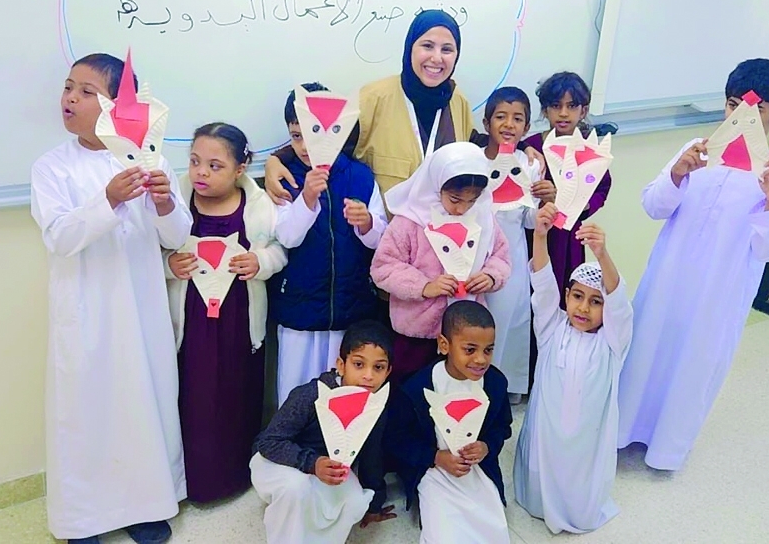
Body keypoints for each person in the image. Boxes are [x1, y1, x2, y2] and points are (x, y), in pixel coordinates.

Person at [30, 52, 191, 543]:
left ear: (120, 107)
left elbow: (175, 236)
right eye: (68, 87)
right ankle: (83, 519)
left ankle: (147, 505)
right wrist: (110, 199)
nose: (69, 99)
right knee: (86, 412)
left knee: (144, 403)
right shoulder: (52, 168)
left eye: (86, 92)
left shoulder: (150, 158)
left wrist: (164, 201)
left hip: (141, 309)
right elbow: (59, 237)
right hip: (86, 311)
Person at [617, 58, 769, 471]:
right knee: (644, 350)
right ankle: (619, 432)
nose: (740, 119)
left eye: (755, 111)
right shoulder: (696, 152)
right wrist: (677, 174)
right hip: (667, 282)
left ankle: (665, 451)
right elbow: (653, 206)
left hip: (719, 296)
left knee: (694, 366)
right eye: (733, 105)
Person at [261, 10, 543, 205]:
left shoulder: (457, 100)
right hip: (384, 247)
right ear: (410, 49)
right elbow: (326, 141)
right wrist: (276, 160)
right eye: (427, 46)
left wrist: (521, 147)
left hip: (444, 248)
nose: (436, 58)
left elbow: (475, 143)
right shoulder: (372, 99)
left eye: (447, 49)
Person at [166, 123, 286, 502]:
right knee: (194, 397)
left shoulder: (259, 206)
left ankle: (234, 476)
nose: (201, 172)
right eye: (195, 161)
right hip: (192, 321)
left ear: (240, 169)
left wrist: (261, 261)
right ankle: (194, 480)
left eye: (215, 166)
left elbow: (280, 250)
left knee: (237, 394)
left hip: (239, 320)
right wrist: (169, 265)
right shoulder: (175, 201)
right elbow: (151, 250)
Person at [514, 205, 633, 533]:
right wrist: (540, 236)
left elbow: (619, 303)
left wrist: (602, 253)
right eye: (577, 296)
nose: (583, 307)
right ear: (566, 296)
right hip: (547, 430)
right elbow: (542, 284)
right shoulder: (551, 327)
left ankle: (576, 508)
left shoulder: (612, 342)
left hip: (587, 438)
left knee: (579, 482)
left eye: (596, 301)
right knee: (542, 470)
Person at [269, 83, 388, 403]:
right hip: (300, 311)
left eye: (313, 134)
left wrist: (367, 223)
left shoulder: (360, 176)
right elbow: (286, 236)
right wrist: (307, 199)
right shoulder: (286, 176)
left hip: (350, 311)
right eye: (296, 136)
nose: (305, 145)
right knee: (295, 398)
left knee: (342, 398)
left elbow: (380, 239)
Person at [370, 142, 511, 384]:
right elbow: (383, 267)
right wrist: (424, 286)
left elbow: (502, 256)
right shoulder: (410, 220)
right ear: (436, 185)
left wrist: (490, 276)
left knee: (459, 389)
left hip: (466, 334)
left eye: (471, 200)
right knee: (412, 389)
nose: (462, 208)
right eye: (455, 199)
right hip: (418, 332)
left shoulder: (484, 218)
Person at [250, 320, 397, 543]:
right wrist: (313, 463)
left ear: (388, 372)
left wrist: (375, 504)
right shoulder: (310, 395)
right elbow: (269, 442)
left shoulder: (375, 406)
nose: (368, 375)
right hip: (279, 463)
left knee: (355, 502)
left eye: (378, 367)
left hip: (325, 470)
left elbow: (372, 456)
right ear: (341, 365)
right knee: (296, 488)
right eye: (359, 364)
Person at [386, 301, 513, 543]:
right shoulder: (416, 388)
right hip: (434, 471)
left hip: (477, 471)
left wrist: (486, 446)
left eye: (488, 350)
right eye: (470, 350)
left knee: (492, 531)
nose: (480, 360)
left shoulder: (495, 384)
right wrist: (435, 457)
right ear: (444, 345)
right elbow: (396, 438)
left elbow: (502, 427)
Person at [479, 86, 556, 403]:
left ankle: (501, 391)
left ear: (526, 127)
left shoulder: (530, 165)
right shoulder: (472, 160)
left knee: (507, 324)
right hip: (474, 257)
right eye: (501, 116)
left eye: (518, 118)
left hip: (511, 259)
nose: (509, 124)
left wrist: (545, 204)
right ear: (487, 123)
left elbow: (528, 220)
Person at [523, 71, 612, 299]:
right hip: (533, 235)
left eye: (571, 106)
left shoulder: (589, 151)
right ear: (545, 110)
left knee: (564, 293)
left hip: (568, 238)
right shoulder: (531, 147)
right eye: (556, 106)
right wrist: (538, 197)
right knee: (532, 293)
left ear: (583, 111)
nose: (563, 113)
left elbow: (601, 189)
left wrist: (570, 201)